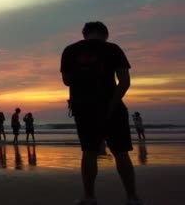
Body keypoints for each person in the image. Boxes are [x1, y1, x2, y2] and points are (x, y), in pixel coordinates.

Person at [61, 21, 143, 205]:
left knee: (89, 152)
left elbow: (67, 81)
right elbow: (124, 82)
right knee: (121, 153)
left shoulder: (70, 50)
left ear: (85, 34)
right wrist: (111, 104)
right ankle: (132, 198)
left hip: (84, 108)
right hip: (112, 108)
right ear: (105, 34)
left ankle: (89, 197)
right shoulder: (113, 49)